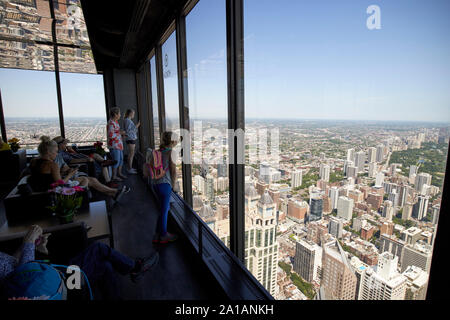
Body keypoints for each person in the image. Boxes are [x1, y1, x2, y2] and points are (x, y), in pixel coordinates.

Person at [0, 225, 159, 300]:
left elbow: (13, 263)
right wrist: (28, 244)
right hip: (60, 288)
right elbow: (22, 282)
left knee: (105, 266)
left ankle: (132, 271)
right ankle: (135, 268)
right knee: (98, 249)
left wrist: (33, 247)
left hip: (50, 276)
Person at [29, 136, 129, 202]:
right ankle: (113, 192)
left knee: (89, 180)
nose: (56, 154)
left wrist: (62, 171)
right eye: (55, 152)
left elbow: (43, 177)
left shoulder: (34, 161)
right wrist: (70, 174)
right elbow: (60, 183)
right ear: (49, 152)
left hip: (44, 191)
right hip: (55, 192)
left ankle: (113, 193)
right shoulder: (52, 164)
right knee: (88, 180)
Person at [143, 131, 178, 243]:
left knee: (162, 209)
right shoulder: (172, 152)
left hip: (154, 183)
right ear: (172, 141)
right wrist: (173, 185)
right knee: (164, 211)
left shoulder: (157, 151)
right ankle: (163, 235)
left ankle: (158, 233)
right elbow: (173, 170)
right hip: (165, 184)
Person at [52, 136, 117, 188]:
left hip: (82, 157)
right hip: (83, 161)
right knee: (101, 163)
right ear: (60, 145)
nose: (66, 145)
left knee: (96, 155)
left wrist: (71, 150)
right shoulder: (60, 154)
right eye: (64, 144)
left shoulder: (64, 151)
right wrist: (86, 160)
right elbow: (71, 161)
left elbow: (75, 155)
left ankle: (104, 162)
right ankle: (108, 180)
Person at [107, 107, 127, 181]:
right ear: (115, 114)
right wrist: (120, 133)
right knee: (116, 161)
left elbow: (116, 132)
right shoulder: (111, 123)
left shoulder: (115, 122)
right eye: (119, 113)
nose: (120, 115)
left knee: (121, 160)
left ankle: (119, 173)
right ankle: (114, 176)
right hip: (114, 145)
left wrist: (121, 135)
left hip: (118, 145)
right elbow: (111, 135)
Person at [123, 109, 140, 174]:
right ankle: (129, 168)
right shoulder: (127, 120)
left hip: (130, 138)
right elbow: (128, 131)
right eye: (133, 113)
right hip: (130, 138)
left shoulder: (127, 120)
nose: (134, 115)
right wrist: (137, 126)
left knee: (131, 154)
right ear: (130, 114)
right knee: (131, 154)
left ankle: (130, 168)